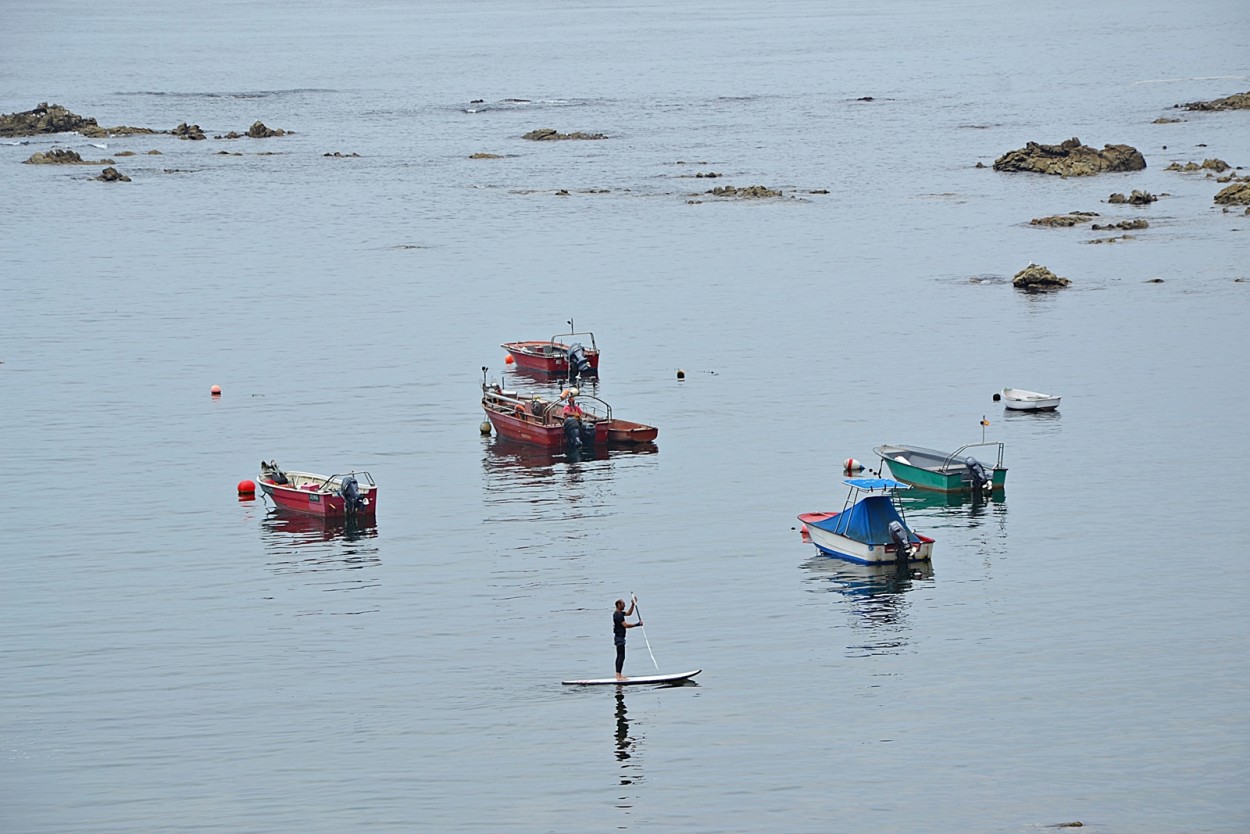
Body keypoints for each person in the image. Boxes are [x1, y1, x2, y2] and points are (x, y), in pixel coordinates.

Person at [613, 597, 643, 680]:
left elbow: (629, 613)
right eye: (623, 604)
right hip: (619, 638)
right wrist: (637, 624)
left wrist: (633, 604)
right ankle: (618, 676)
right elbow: (625, 625)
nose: (624, 605)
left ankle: (619, 674)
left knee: (621, 656)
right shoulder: (618, 615)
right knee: (620, 656)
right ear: (618, 605)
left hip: (621, 637)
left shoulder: (620, 613)